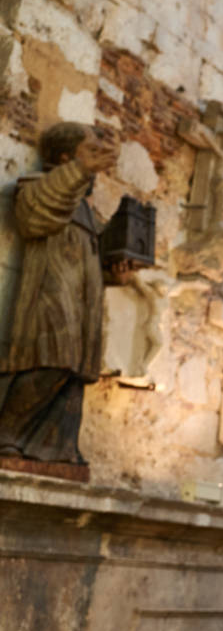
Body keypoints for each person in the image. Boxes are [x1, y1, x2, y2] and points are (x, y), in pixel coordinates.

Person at [0, 123, 117, 464]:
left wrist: (114, 271)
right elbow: (36, 219)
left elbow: (87, 257)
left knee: (74, 374)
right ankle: (7, 432)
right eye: (89, 151)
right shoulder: (37, 186)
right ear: (66, 157)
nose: (95, 160)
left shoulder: (86, 210)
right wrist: (81, 171)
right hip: (50, 295)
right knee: (50, 360)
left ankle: (56, 446)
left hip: (82, 308)